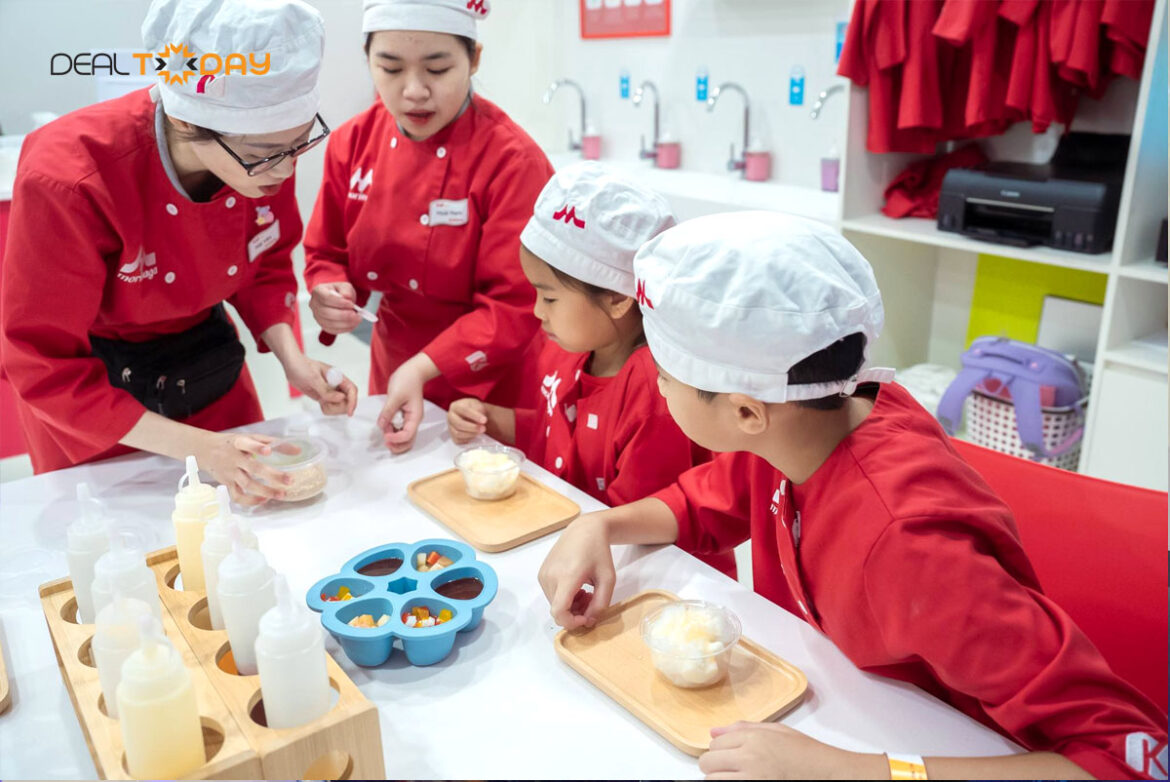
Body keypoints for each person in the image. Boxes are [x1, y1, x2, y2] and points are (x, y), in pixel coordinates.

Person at [536, 211, 1168, 780]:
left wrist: (846, 771)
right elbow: (706, 500)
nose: (657, 389)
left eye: (666, 377)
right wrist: (601, 526)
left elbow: (1127, 756)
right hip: (843, 706)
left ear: (747, 412)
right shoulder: (810, 421)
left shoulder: (909, 545)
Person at [0, 0, 357, 505]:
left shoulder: (263, 152)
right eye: (264, 156)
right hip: (99, 401)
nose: (283, 170)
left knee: (248, 529)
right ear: (187, 122)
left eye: (298, 145)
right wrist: (201, 449)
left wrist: (292, 359)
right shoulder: (70, 177)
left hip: (208, 365)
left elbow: (263, 263)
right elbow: (42, 361)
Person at [447, 163, 734, 577]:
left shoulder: (655, 392)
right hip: (583, 538)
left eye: (549, 298)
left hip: (653, 575)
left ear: (618, 299)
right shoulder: (573, 348)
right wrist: (493, 420)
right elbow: (560, 435)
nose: (536, 311)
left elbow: (638, 527)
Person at [304, 0, 552, 454]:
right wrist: (330, 291)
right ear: (368, 60)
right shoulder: (352, 143)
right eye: (391, 68)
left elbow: (515, 304)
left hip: (492, 383)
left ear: (474, 59)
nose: (414, 91)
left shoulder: (512, 161)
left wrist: (423, 367)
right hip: (395, 365)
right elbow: (326, 253)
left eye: (437, 69)